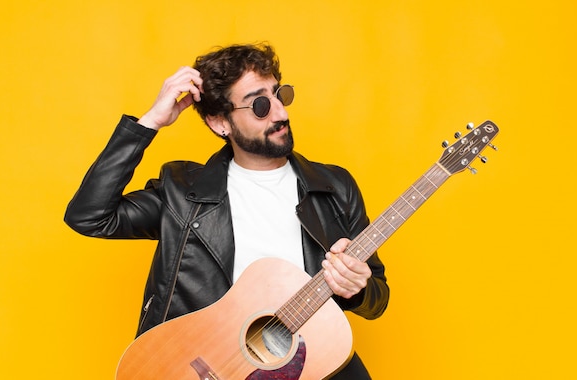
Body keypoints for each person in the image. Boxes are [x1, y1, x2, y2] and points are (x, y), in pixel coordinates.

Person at [65, 43, 390, 379]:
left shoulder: (334, 187)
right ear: (220, 122)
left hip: (310, 363)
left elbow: (377, 298)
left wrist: (359, 287)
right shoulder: (182, 192)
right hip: (214, 366)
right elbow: (90, 216)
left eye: (280, 94)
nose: (281, 114)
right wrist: (149, 123)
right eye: (261, 105)